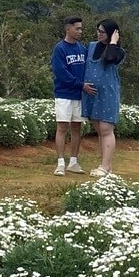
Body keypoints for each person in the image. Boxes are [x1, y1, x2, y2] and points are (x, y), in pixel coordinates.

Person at [80, 18, 125, 177]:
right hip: (91, 93)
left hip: (107, 94)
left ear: (112, 33)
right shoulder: (91, 47)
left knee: (106, 129)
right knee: (99, 129)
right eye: (98, 31)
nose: (99, 34)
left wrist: (113, 42)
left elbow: (109, 58)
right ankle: (105, 164)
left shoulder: (118, 51)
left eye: (103, 32)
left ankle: (105, 166)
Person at [49, 16, 89, 176]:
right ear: (68, 29)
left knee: (77, 127)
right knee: (62, 127)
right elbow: (60, 73)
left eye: (81, 28)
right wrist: (80, 85)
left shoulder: (82, 48)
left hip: (79, 96)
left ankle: (73, 162)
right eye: (77, 28)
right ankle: (60, 163)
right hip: (64, 95)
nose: (80, 31)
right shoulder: (60, 49)